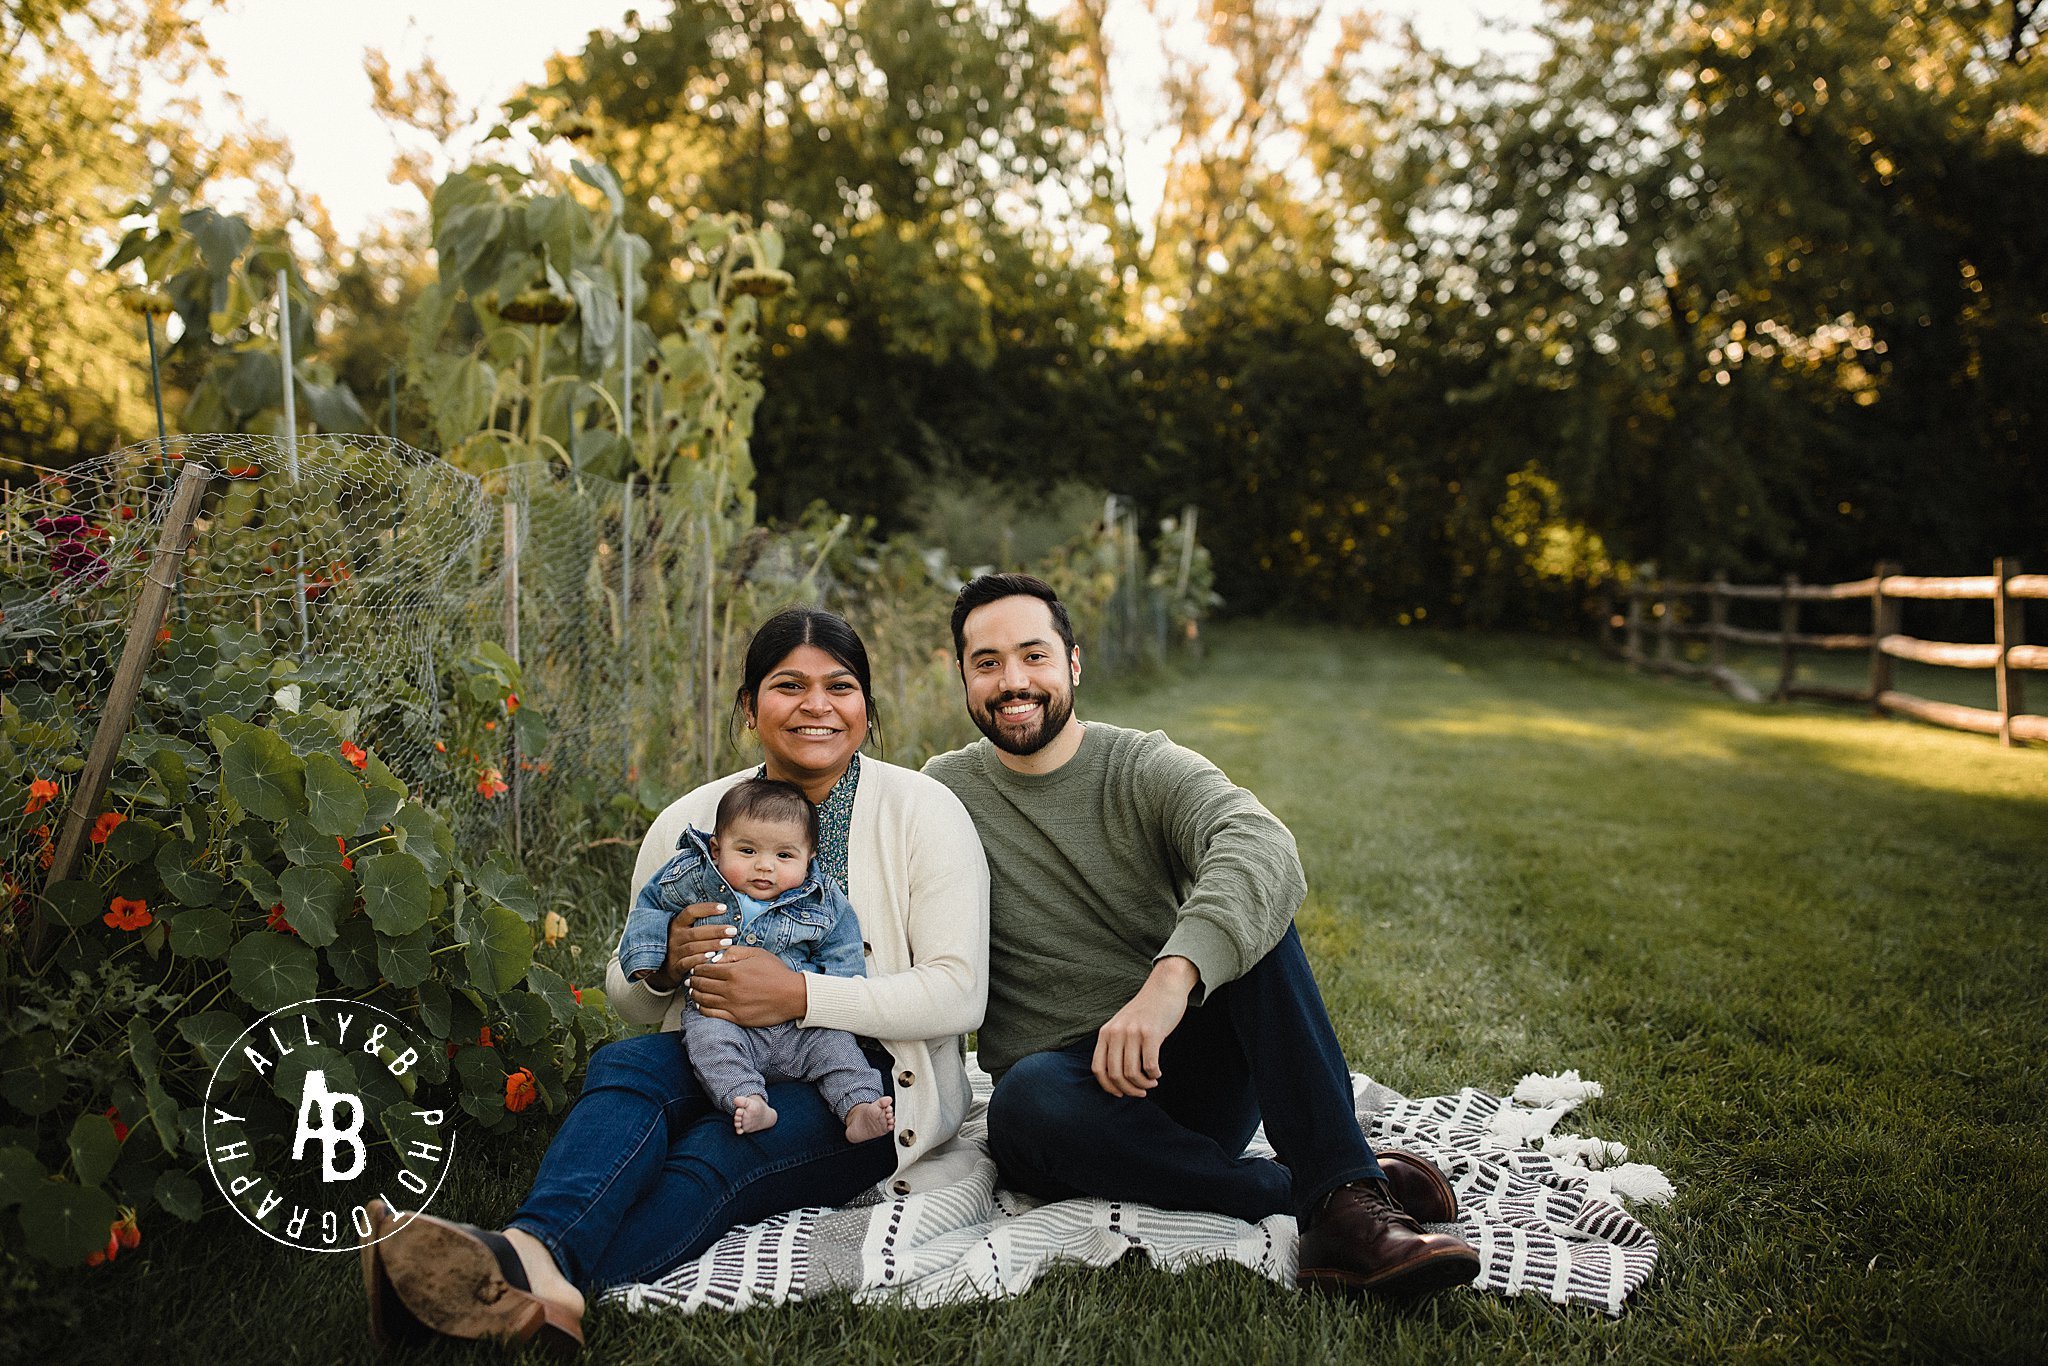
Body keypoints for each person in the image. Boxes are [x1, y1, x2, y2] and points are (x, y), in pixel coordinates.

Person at [362, 607, 989, 1351]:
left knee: (719, 1152)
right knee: (627, 1062)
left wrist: (801, 996)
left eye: (841, 686)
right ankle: (532, 1263)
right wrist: (663, 965)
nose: (817, 705)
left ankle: (505, 1278)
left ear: (866, 707)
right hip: (719, 1046)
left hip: (864, 1077)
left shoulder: (922, 811)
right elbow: (626, 995)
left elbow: (959, 992)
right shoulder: (692, 824)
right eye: (789, 685)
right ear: (751, 707)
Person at [923, 573, 1481, 1299]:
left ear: (1074, 665)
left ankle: (1344, 1199)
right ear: (962, 676)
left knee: (1255, 922)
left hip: (1183, 1071)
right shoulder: (944, 793)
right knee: (1021, 1099)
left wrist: (1171, 978)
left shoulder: (1140, 765)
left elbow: (1258, 841)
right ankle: (1324, 1192)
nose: (1013, 681)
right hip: (1066, 1108)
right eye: (987, 662)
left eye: (1033, 656)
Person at [619, 775, 894, 1141]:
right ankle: (747, 1101)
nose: (765, 867)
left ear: (809, 858)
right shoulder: (694, 876)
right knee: (709, 1043)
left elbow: (841, 949)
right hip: (721, 1016)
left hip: (800, 1025)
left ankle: (859, 1106)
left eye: (784, 855)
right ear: (716, 849)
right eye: (747, 851)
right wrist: (651, 957)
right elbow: (652, 904)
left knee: (837, 1048)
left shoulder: (820, 898)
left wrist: (834, 998)